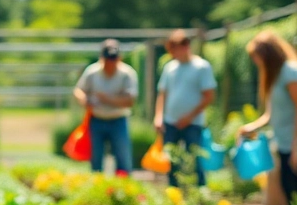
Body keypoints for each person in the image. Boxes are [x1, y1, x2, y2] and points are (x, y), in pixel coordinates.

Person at [239, 30, 297, 205]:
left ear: (268, 55)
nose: (256, 62)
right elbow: (271, 114)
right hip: (287, 140)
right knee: (288, 182)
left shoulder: (291, 72)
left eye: (257, 57)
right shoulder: (274, 76)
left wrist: (296, 146)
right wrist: (251, 127)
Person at [154, 29, 217, 186]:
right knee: (172, 161)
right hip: (170, 122)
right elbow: (162, 93)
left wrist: (189, 117)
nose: (173, 53)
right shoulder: (170, 68)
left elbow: (209, 96)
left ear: (186, 46)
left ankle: (200, 192)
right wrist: (159, 116)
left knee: (195, 159)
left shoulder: (201, 67)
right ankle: (173, 193)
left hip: (193, 123)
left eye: (175, 49)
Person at [74, 39, 139, 174]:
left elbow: (130, 101)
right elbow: (78, 90)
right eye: (108, 60)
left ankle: (124, 189)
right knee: (96, 160)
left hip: (118, 120)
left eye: (114, 60)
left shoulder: (127, 74)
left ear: (119, 59)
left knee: (123, 159)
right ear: (101, 59)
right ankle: (98, 188)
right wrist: (84, 100)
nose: (111, 64)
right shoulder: (92, 72)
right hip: (97, 119)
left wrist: (106, 99)